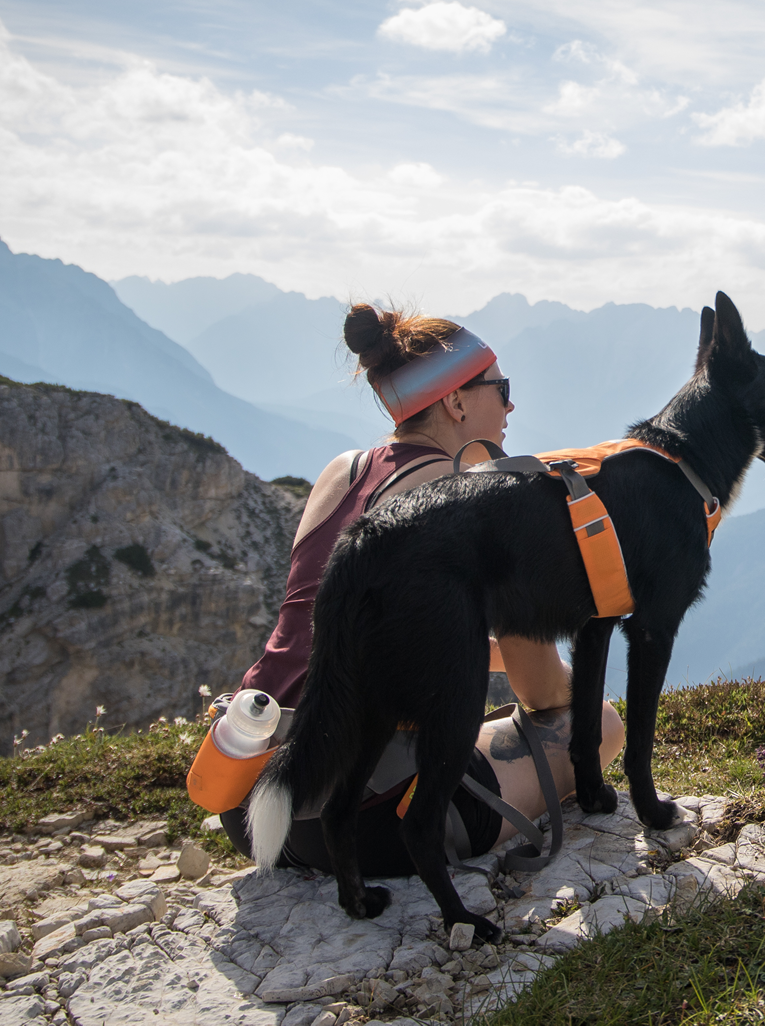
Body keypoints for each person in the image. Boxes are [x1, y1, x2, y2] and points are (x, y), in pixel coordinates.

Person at [217, 303, 625, 875]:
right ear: (456, 401)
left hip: (248, 797)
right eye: (499, 388)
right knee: (598, 721)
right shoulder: (480, 498)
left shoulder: (346, 470)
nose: (511, 405)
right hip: (370, 821)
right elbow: (542, 692)